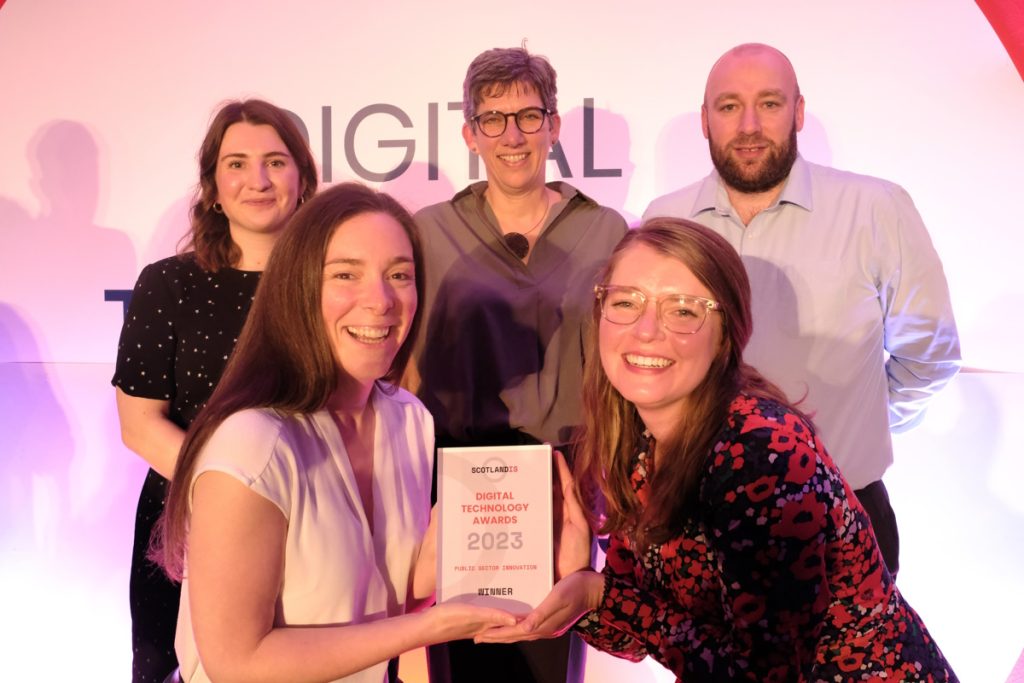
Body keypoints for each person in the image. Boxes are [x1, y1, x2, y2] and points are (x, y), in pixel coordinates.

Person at [478, 218, 958, 681]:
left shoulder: (762, 454)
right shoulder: (638, 444)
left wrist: (603, 594)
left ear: (727, 334)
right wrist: (581, 587)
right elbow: (636, 637)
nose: (646, 330)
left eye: (683, 310)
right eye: (626, 303)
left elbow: (762, 676)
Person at [151, 182, 517, 683]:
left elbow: (383, 598)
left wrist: (457, 554)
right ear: (297, 286)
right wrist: (428, 627)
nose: (381, 300)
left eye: (400, 275)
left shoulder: (408, 418)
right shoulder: (252, 442)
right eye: (347, 274)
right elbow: (237, 663)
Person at [643, 43, 960, 575]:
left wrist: (852, 430)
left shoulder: (875, 208)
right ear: (704, 120)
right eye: (728, 107)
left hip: (843, 518)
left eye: (769, 103)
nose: (749, 125)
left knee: (852, 663)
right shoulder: (665, 220)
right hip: (699, 520)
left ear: (799, 112)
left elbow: (929, 354)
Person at [410, 46, 628, 683]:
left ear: (555, 126)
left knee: (546, 656)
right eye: (493, 118)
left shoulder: (607, 231)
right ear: (469, 134)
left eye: (529, 117)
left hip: (564, 483)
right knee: (459, 658)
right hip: (457, 485)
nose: (512, 135)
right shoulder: (429, 231)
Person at [112, 98, 318, 682]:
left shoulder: (334, 280)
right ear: (212, 185)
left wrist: (298, 503)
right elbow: (139, 425)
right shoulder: (168, 284)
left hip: (313, 518)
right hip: (187, 520)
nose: (258, 180)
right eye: (237, 163)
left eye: (276, 162)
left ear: (302, 178)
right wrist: (237, 497)